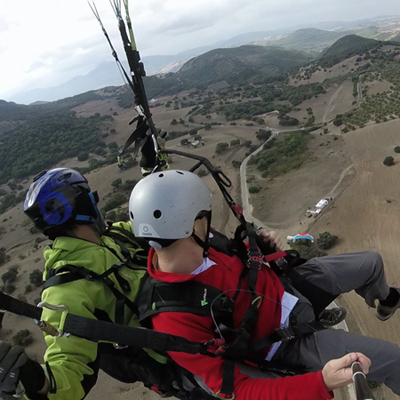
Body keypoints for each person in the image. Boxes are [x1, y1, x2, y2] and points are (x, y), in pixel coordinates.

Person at [0, 168, 348, 400]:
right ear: (83, 206)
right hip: (183, 357)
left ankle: (310, 322)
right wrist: (34, 380)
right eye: (91, 197)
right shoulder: (65, 289)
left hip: (208, 314)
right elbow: (68, 369)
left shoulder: (115, 237)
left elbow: (162, 225)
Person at [128, 169, 400, 400]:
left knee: (371, 263)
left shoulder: (206, 242)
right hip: (285, 343)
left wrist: (263, 246)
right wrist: (322, 382)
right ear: (193, 224)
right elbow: (238, 390)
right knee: (394, 361)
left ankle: (385, 304)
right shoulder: (173, 320)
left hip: (286, 288)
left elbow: (238, 259)